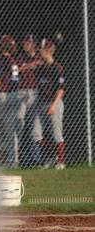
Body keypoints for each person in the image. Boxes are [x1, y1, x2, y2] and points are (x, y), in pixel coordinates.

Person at [35, 38, 65, 169]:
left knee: (56, 132)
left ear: (48, 51)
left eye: (41, 49)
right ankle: (50, 157)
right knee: (36, 133)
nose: (39, 52)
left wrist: (53, 105)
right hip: (42, 103)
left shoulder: (57, 67)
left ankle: (60, 161)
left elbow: (61, 89)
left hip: (55, 103)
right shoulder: (41, 68)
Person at [0, 34, 22, 168]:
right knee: (13, 128)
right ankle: (13, 160)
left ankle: (12, 161)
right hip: (16, 94)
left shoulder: (2, 60)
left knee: (9, 129)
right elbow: (16, 79)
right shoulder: (14, 60)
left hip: (5, 94)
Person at [18, 34, 42, 167]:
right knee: (20, 123)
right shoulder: (21, 58)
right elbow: (15, 71)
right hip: (22, 92)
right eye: (25, 43)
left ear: (34, 44)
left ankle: (36, 158)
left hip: (35, 92)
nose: (25, 45)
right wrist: (29, 65)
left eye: (28, 43)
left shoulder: (39, 57)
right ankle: (22, 157)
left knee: (35, 125)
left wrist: (34, 64)